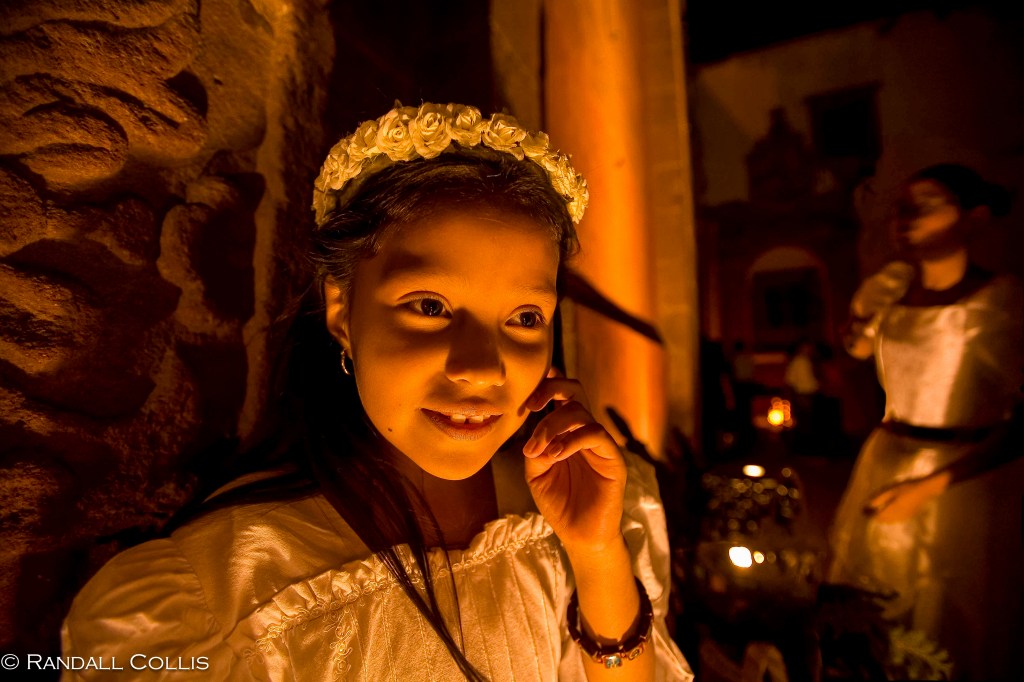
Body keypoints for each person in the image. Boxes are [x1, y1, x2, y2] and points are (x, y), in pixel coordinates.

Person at [59, 103, 693, 681]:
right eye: (430, 306)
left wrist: (596, 551)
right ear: (341, 309)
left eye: (525, 318)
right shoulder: (212, 598)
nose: (481, 369)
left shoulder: (591, 510)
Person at [828, 163, 1023, 680]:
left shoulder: (996, 302)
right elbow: (858, 350)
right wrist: (863, 319)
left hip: (961, 480)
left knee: (949, 610)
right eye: (901, 206)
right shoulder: (892, 291)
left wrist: (929, 487)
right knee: (878, 601)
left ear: (974, 218)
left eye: (928, 204)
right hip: (887, 454)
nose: (907, 216)